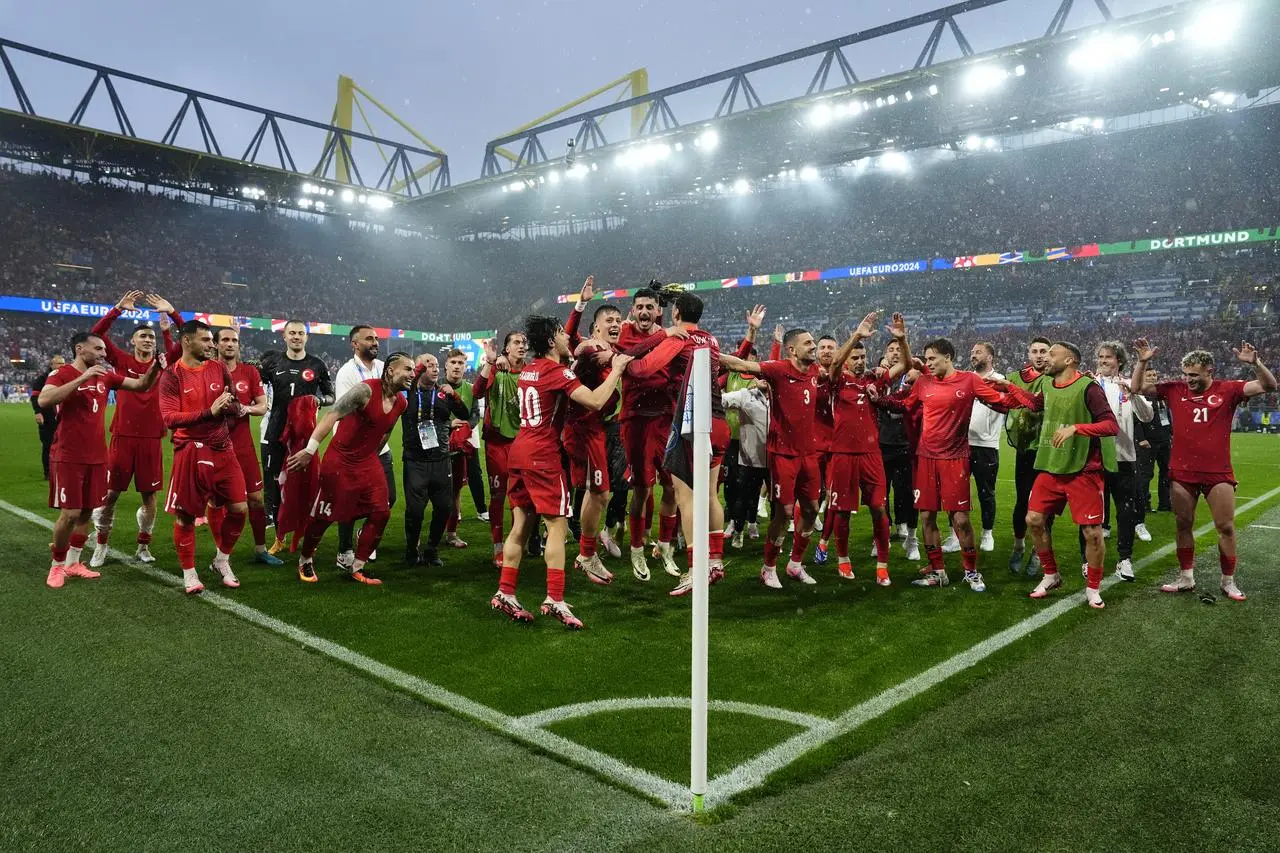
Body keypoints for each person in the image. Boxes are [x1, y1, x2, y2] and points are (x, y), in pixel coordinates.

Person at [490, 315, 630, 628]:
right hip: (543, 455)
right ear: (552, 341)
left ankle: (506, 591)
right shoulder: (555, 371)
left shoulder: (528, 369)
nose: (568, 338)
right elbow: (594, 401)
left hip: (519, 450)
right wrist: (618, 369)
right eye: (561, 334)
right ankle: (555, 597)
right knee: (556, 525)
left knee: (522, 523)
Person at [880, 336, 1029, 592]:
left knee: (960, 519)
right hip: (926, 458)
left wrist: (1013, 390)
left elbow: (1003, 403)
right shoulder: (924, 383)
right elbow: (904, 405)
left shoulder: (969, 380)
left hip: (955, 459)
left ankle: (971, 571)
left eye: (932, 359)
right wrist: (877, 398)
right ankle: (938, 571)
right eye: (926, 359)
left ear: (947, 357)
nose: (928, 364)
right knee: (926, 515)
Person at [1130, 340, 1276, 601]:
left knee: (1226, 527)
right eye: (1186, 375)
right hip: (1182, 471)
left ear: (1210, 370)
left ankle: (1228, 581)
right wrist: (1142, 362)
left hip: (1217, 472)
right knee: (1183, 524)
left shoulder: (1229, 390)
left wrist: (1255, 363)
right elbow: (1136, 387)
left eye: (1194, 375)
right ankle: (1186, 578)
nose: (1188, 380)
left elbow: (1269, 385)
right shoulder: (1174, 389)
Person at [625, 292, 731, 596]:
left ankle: (695, 571)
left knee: (685, 498)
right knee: (710, 495)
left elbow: (644, 368)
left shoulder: (679, 338)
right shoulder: (711, 339)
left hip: (694, 426)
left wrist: (625, 364)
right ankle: (715, 562)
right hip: (718, 421)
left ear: (676, 314)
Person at [39, 332, 162, 588]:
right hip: (68, 455)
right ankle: (56, 566)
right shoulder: (61, 374)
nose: (104, 354)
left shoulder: (106, 376)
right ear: (80, 349)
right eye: (98, 349)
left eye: (105, 350)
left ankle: (74, 563)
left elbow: (140, 385)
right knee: (70, 513)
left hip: (97, 456)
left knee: (85, 512)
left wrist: (154, 369)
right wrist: (82, 378)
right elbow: (45, 399)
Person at [288, 353, 420, 585]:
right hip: (339, 460)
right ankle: (305, 559)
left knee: (381, 512)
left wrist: (372, 454)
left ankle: (357, 566)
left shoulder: (402, 402)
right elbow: (332, 415)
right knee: (324, 517)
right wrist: (310, 450)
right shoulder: (365, 391)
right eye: (408, 369)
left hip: (368, 461)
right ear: (390, 370)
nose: (413, 374)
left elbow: (386, 430)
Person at [1010, 342, 1121, 610]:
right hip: (1051, 465)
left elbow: (1110, 425)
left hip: (1084, 469)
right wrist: (1007, 388)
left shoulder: (1088, 387)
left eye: (1051, 354)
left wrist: (1076, 428)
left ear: (1069, 360)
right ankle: (1051, 574)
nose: (1045, 358)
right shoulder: (1047, 385)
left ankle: (1093, 588)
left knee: (1092, 532)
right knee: (1033, 519)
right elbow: (1036, 404)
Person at [719, 328, 823, 588]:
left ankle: (795, 564)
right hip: (783, 454)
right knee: (784, 513)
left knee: (810, 509)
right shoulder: (778, 369)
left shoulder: (813, 371)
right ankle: (769, 567)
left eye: (814, 342)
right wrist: (702, 350)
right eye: (808, 343)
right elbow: (739, 363)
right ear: (792, 350)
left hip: (808, 454)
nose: (814, 346)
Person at [87, 290, 184, 567]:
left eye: (151, 337)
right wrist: (117, 309)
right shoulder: (121, 361)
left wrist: (173, 312)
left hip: (151, 438)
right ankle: (101, 545)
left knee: (149, 496)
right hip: (123, 436)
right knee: (110, 494)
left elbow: (186, 339)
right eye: (142, 336)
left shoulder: (164, 363)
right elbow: (96, 334)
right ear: (132, 341)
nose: (148, 340)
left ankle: (143, 546)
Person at [158, 321, 250, 594]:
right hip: (191, 450)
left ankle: (221, 561)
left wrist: (231, 406)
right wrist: (209, 412)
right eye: (206, 340)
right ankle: (189, 573)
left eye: (212, 340)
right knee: (186, 517)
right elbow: (170, 418)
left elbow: (232, 401)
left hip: (223, 448)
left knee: (239, 508)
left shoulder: (219, 368)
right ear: (187, 342)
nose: (213, 345)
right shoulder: (172, 375)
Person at [824, 313, 903, 585]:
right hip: (843, 455)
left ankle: (882, 565)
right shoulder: (836, 382)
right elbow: (833, 362)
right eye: (855, 358)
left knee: (879, 509)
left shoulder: (875, 382)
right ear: (847, 360)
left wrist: (902, 340)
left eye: (863, 357)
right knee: (843, 512)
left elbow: (903, 365)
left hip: (871, 456)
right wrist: (857, 335)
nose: (860, 362)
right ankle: (843, 560)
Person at [616, 285, 687, 581]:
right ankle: (636, 550)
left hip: (666, 419)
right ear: (632, 310)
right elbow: (631, 357)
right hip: (636, 420)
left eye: (650, 307)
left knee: (671, 487)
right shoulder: (625, 334)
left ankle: (666, 548)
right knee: (642, 488)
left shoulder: (673, 335)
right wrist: (665, 335)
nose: (644, 311)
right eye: (639, 307)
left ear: (659, 310)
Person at [204, 327, 281, 567]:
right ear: (216, 344)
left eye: (234, 340)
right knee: (217, 502)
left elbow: (262, 405)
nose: (230, 344)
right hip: (214, 447)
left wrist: (243, 408)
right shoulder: (205, 372)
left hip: (243, 448)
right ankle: (220, 553)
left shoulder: (249, 372)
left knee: (256, 500)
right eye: (225, 340)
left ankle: (261, 550)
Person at [563, 295, 626, 583]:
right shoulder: (590, 349)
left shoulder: (613, 351)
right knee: (598, 493)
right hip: (583, 429)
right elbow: (576, 344)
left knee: (600, 492)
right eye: (608, 321)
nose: (614, 324)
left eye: (617, 320)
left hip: (598, 429)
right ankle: (585, 554)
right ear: (596, 329)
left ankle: (585, 553)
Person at [1079, 341, 1152, 582]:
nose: (1103, 360)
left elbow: (1147, 415)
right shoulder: (1088, 384)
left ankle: (1124, 559)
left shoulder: (1129, 384)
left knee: (1125, 511)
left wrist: (1134, 394)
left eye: (1108, 357)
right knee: (1090, 514)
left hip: (1123, 458)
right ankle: (1087, 561)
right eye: (1101, 356)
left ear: (1119, 360)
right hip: (1094, 460)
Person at [259, 320, 335, 550]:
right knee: (274, 482)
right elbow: (257, 388)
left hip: (303, 436)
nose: (296, 337)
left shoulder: (317, 364)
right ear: (284, 336)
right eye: (292, 333)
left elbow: (331, 396)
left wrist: (319, 400)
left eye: (301, 333)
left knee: (303, 484)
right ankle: (279, 537)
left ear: (306, 337)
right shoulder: (272, 362)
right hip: (275, 431)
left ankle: (302, 531)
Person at [332, 326, 395, 568]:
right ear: (354, 344)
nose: (375, 342)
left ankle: (364, 535)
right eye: (369, 338)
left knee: (388, 497)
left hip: (381, 447)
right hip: (354, 451)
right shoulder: (347, 373)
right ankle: (344, 551)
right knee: (349, 501)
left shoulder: (382, 368)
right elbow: (347, 412)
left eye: (377, 338)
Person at [402, 353, 471, 567]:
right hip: (415, 461)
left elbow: (465, 413)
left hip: (441, 459)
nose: (434, 368)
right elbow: (410, 380)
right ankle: (412, 549)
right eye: (428, 364)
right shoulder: (408, 393)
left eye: (435, 365)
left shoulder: (443, 394)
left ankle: (431, 549)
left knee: (443, 507)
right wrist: (418, 368)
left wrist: (455, 396)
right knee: (415, 510)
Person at [941, 342, 1004, 555]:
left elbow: (1002, 403)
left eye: (978, 352)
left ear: (990, 356)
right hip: (960, 444)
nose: (973, 355)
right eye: (972, 352)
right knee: (954, 492)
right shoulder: (964, 379)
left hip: (986, 445)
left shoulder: (999, 380)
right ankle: (953, 536)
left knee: (986, 492)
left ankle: (987, 534)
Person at [473, 331, 527, 567]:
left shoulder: (530, 371)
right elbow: (476, 391)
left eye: (524, 342)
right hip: (497, 440)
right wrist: (491, 362)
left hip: (523, 440)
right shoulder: (496, 368)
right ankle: (497, 547)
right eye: (516, 342)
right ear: (506, 348)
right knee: (498, 494)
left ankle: (519, 541)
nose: (521, 346)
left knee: (523, 495)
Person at [1005, 337, 1051, 575]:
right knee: (1023, 501)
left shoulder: (1055, 378)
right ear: (1029, 354)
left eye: (1044, 351)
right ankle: (1019, 546)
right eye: (1035, 351)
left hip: (1050, 449)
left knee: (1046, 505)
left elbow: (1037, 404)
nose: (1039, 355)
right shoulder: (1014, 377)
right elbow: (1003, 403)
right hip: (1026, 450)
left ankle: (1038, 552)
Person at [877, 340, 920, 561]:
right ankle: (881, 537)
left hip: (908, 445)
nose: (895, 353)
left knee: (908, 494)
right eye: (890, 350)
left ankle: (911, 538)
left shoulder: (914, 376)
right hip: (881, 444)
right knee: (880, 495)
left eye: (898, 350)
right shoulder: (880, 377)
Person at [722, 375, 769, 550]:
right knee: (741, 499)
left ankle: (771, 536)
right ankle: (739, 532)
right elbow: (721, 400)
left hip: (774, 459)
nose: (764, 381)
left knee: (774, 501)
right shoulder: (745, 395)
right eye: (761, 378)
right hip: (748, 460)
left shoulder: (781, 396)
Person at [441, 348, 480, 549]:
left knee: (455, 491)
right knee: (431, 492)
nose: (457, 366)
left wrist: (463, 425)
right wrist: (448, 425)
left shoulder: (471, 389)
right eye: (453, 362)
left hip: (458, 449)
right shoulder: (436, 387)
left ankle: (452, 533)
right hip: (437, 450)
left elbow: (475, 416)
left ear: (465, 367)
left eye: (460, 363)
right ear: (446, 365)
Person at [1135, 365, 1172, 516]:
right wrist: (1141, 438)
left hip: (1164, 439)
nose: (1152, 377)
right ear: (1143, 377)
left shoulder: (1160, 394)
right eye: (1149, 375)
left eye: (1154, 375)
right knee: (1145, 474)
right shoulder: (1140, 394)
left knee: (1166, 472)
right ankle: (1144, 504)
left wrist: (1171, 433)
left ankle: (1165, 503)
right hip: (1148, 441)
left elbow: (1167, 416)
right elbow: (1136, 419)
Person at [30, 354, 66, 480]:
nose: (61, 366)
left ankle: (62, 469)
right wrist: (37, 412)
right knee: (48, 445)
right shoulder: (42, 379)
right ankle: (48, 472)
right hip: (47, 418)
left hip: (64, 418)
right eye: (58, 363)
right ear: (52, 365)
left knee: (65, 445)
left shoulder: (67, 377)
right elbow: (35, 397)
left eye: (63, 363)